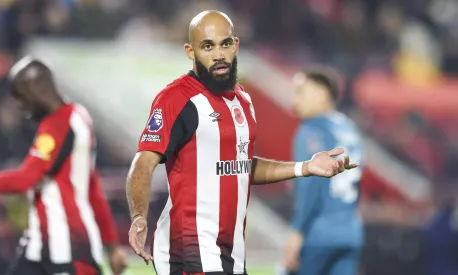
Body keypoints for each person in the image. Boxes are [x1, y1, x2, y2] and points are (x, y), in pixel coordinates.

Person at [126, 11, 359, 275]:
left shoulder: (243, 100)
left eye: (225, 44)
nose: (219, 54)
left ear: (235, 45)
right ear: (190, 52)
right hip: (189, 250)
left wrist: (304, 167)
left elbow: (242, 167)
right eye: (207, 46)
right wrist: (138, 217)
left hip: (232, 252)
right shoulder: (175, 99)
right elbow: (144, 162)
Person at [0, 57, 128, 275]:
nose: (20, 104)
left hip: (65, 246)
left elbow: (26, 178)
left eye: (22, 95)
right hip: (41, 246)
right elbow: (91, 189)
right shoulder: (78, 116)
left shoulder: (57, 125)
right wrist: (111, 245)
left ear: (37, 90)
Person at [282, 67, 364, 275]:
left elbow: (312, 183)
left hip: (317, 234)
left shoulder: (311, 130)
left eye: (301, 92)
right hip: (350, 232)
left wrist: (297, 232)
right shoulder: (349, 128)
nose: (295, 100)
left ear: (322, 93)